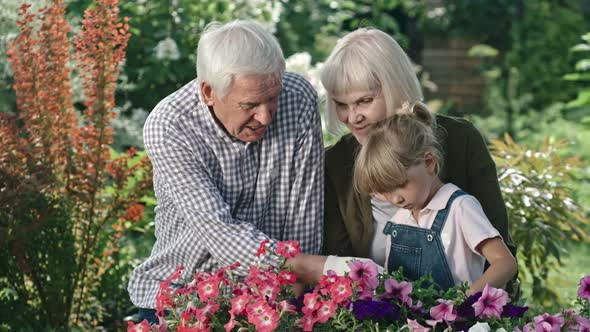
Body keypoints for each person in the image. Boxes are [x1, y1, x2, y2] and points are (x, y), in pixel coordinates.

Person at [128, 20, 331, 324]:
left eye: (272, 97)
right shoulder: (170, 126)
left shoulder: (297, 97)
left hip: (276, 298)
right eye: (249, 105)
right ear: (209, 92)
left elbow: (304, 220)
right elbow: (222, 234)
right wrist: (318, 267)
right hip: (182, 301)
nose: (264, 117)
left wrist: (294, 293)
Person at [320, 28, 517, 274]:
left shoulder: (460, 140)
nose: (353, 117)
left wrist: (470, 306)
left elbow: (501, 254)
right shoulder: (335, 163)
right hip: (376, 307)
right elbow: (338, 265)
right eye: (341, 104)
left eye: (364, 101)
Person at [353, 105, 517, 294]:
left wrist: (464, 302)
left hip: (463, 320)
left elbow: (505, 263)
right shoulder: (399, 222)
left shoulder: (460, 207)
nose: (396, 198)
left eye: (401, 184)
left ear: (429, 162)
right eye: (385, 191)